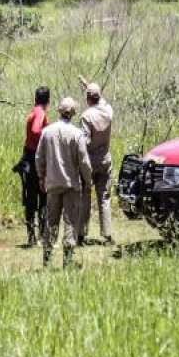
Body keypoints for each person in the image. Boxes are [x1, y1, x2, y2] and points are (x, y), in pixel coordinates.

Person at [36, 97, 92, 268]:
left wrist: (41, 177)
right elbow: (84, 162)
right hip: (71, 186)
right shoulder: (77, 134)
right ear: (73, 113)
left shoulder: (47, 132)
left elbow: (39, 158)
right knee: (70, 222)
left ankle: (47, 259)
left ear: (59, 111)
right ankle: (67, 262)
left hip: (52, 184)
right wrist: (88, 182)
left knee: (51, 222)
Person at [77, 76, 114, 246]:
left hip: (90, 162)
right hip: (105, 160)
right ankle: (106, 235)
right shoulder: (108, 111)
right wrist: (88, 85)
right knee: (104, 197)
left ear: (87, 99)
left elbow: (84, 142)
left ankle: (81, 234)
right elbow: (103, 101)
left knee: (85, 196)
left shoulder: (86, 116)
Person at [22, 86, 50, 247]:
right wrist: (45, 142)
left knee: (30, 197)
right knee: (43, 196)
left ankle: (31, 236)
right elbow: (36, 130)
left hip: (28, 155)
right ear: (48, 101)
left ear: (35, 98)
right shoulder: (40, 112)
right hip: (36, 157)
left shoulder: (33, 110)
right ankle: (41, 236)